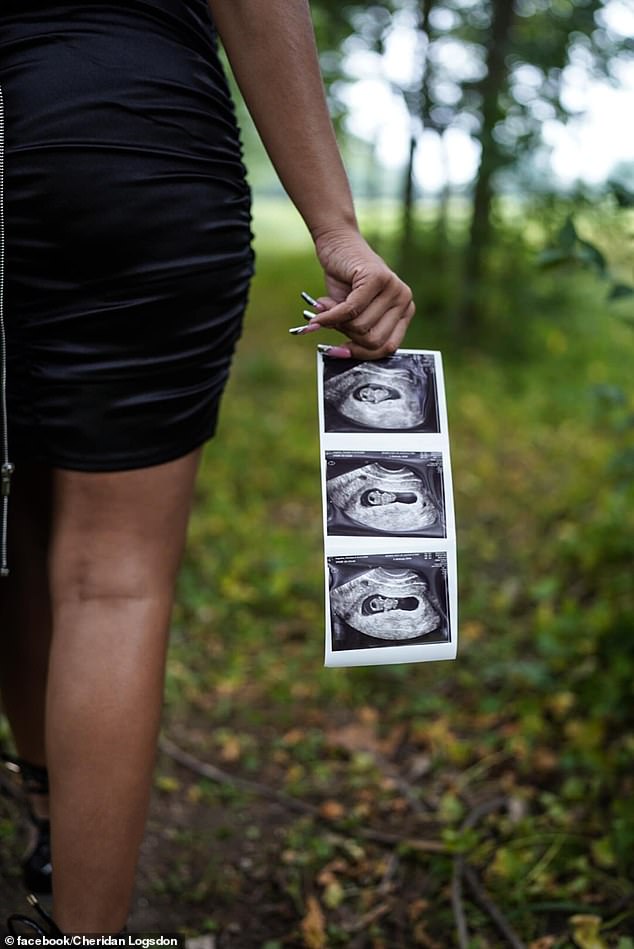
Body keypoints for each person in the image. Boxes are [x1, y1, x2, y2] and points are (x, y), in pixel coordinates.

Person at [0, 0, 414, 934]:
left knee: (18, 536)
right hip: (125, 134)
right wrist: (336, 226)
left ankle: (51, 811)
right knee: (111, 581)